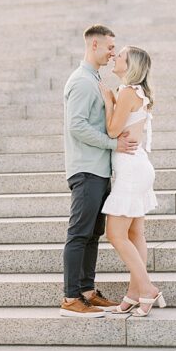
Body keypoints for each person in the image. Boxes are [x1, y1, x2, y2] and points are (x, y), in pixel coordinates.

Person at [61, 24, 138, 318]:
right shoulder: (81, 81)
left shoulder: (94, 79)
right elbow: (77, 126)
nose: (112, 53)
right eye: (108, 47)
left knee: (92, 234)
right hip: (86, 170)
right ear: (94, 46)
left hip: (98, 170)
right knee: (79, 233)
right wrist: (112, 144)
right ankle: (71, 299)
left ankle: (87, 291)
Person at [98, 45, 165, 316]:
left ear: (131, 64)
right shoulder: (137, 91)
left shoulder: (126, 91)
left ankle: (147, 288)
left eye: (121, 55)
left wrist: (108, 101)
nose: (115, 57)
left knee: (115, 233)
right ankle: (134, 293)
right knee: (135, 233)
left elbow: (113, 130)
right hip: (139, 166)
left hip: (131, 168)